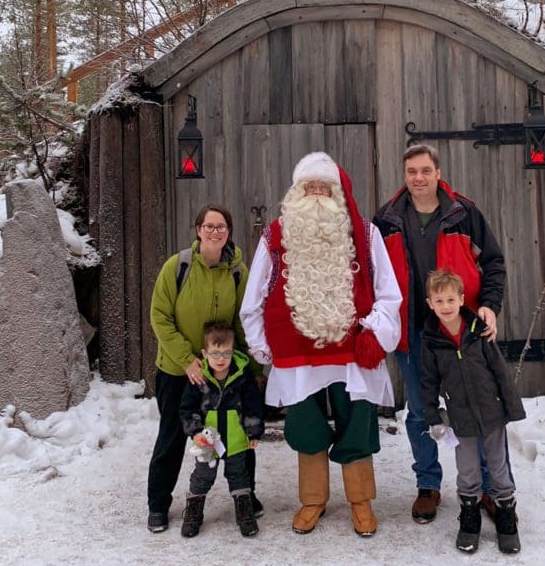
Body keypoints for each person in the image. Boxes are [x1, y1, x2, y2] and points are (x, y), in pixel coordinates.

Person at [240, 151, 401, 537]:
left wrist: (376, 333)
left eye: (323, 187)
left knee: (357, 423)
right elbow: (254, 296)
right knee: (306, 425)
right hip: (296, 354)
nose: (315, 194)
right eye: (308, 187)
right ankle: (313, 499)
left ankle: (360, 500)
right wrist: (260, 344)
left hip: (350, 353)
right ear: (296, 192)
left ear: (337, 193)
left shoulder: (364, 234)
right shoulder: (275, 236)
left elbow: (389, 293)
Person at [373, 143, 506, 524]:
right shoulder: (387, 220)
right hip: (413, 333)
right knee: (419, 411)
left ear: (438, 173)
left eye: (425, 170)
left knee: (475, 408)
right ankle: (428, 485)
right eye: (411, 171)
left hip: (460, 331)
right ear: (404, 175)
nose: (418, 178)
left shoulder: (463, 214)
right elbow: (372, 275)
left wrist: (489, 306)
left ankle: (485, 486)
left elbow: (493, 263)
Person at [146, 203, 258, 533]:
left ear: (228, 232)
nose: (214, 231)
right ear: (198, 230)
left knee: (236, 434)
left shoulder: (238, 271)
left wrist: (249, 367)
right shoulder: (177, 267)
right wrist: (187, 359)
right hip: (178, 371)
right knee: (172, 436)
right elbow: (159, 317)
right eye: (208, 226)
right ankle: (158, 504)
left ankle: (247, 496)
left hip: (223, 372)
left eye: (220, 226)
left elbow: (244, 319)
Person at [421, 269, 525, 553]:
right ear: (430, 303)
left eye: (451, 300)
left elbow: (499, 370)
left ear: (462, 299)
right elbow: (428, 380)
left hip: (492, 412)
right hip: (460, 418)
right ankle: (469, 518)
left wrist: (511, 405)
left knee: (498, 466)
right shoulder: (431, 339)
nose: (446, 306)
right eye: (439, 301)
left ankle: (506, 517)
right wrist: (432, 415)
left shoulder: (479, 331)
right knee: (467, 470)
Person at [178, 321, 265, 538]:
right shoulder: (199, 379)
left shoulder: (242, 377)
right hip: (207, 442)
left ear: (233, 351)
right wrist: (195, 432)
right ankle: (194, 511)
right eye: (215, 353)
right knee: (203, 475)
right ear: (204, 353)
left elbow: (253, 405)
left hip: (235, 438)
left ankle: (244, 512)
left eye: (226, 353)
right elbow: (187, 408)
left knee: (239, 474)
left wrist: (253, 432)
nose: (221, 359)